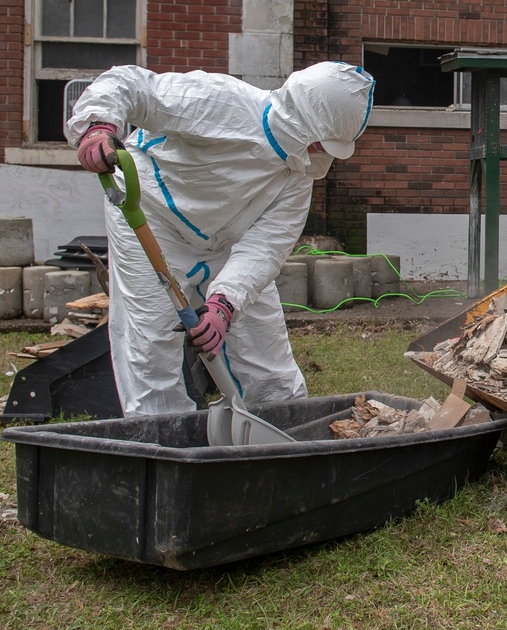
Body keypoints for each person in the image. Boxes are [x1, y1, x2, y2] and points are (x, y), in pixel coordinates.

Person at [65, 62, 375, 417]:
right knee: (152, 340)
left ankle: (283, 437)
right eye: (323, 144)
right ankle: (165, 441)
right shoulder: (222, 102)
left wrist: (224, 305)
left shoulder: (298, 174)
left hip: (229, 237)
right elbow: (132, 86)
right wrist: (98, 125)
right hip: (149, 214)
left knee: (265, 351)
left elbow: (266, 246)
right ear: (308, 127)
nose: (323, 155)